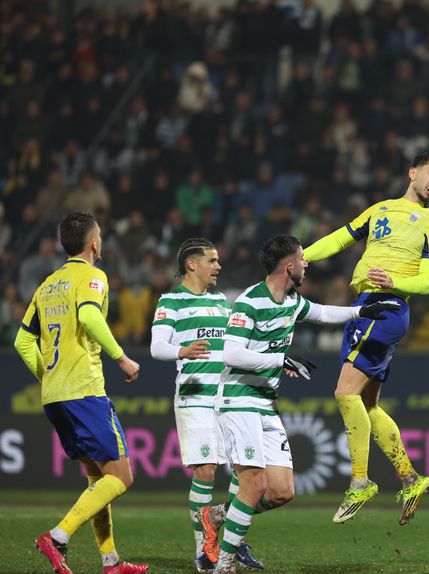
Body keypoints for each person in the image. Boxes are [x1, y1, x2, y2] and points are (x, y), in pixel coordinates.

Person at [210, 235, 398, 574]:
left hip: (266, 404)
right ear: (288, 266)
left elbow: (322, 313)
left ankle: (217, 515)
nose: (306, 263)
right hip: (238, 401)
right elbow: (232, 354)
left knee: (281, 492)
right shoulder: (250, 302)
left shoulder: (292, 301)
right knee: (254, 485)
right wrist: (280, 360)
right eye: (302, 258)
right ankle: (223, 565)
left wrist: (362, 311)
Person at [302, 150, 429, 525]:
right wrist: (302, 257)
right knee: (366, 404)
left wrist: (394, 281)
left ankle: (360, 482)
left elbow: (427, 282)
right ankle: (410, 478)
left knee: (344, 393)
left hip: (386, 307)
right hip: (364, 307)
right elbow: (339, 239)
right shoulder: (380, 209)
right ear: (412, 172)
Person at [13, 211, 147, 574]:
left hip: (54, 396)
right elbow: (88, 316)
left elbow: (22, 341)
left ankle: (110, 561)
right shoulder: (92, 276)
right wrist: (122, 358)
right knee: (121, 476)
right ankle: (57, 536)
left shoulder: (47, 285)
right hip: (84, 392)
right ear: (94, 243)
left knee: (97, 480)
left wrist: (48, 376)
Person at [149, 238, 262, 572]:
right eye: (212, 260)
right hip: (194, 395)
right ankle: (204, 550)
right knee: (206, 470)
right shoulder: (171, 300)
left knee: (244, 470)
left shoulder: (221, 302)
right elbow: (157, 346)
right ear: (192, 264)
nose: (218, 266)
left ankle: (230, 543)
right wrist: (181, 351)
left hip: (227, 396)